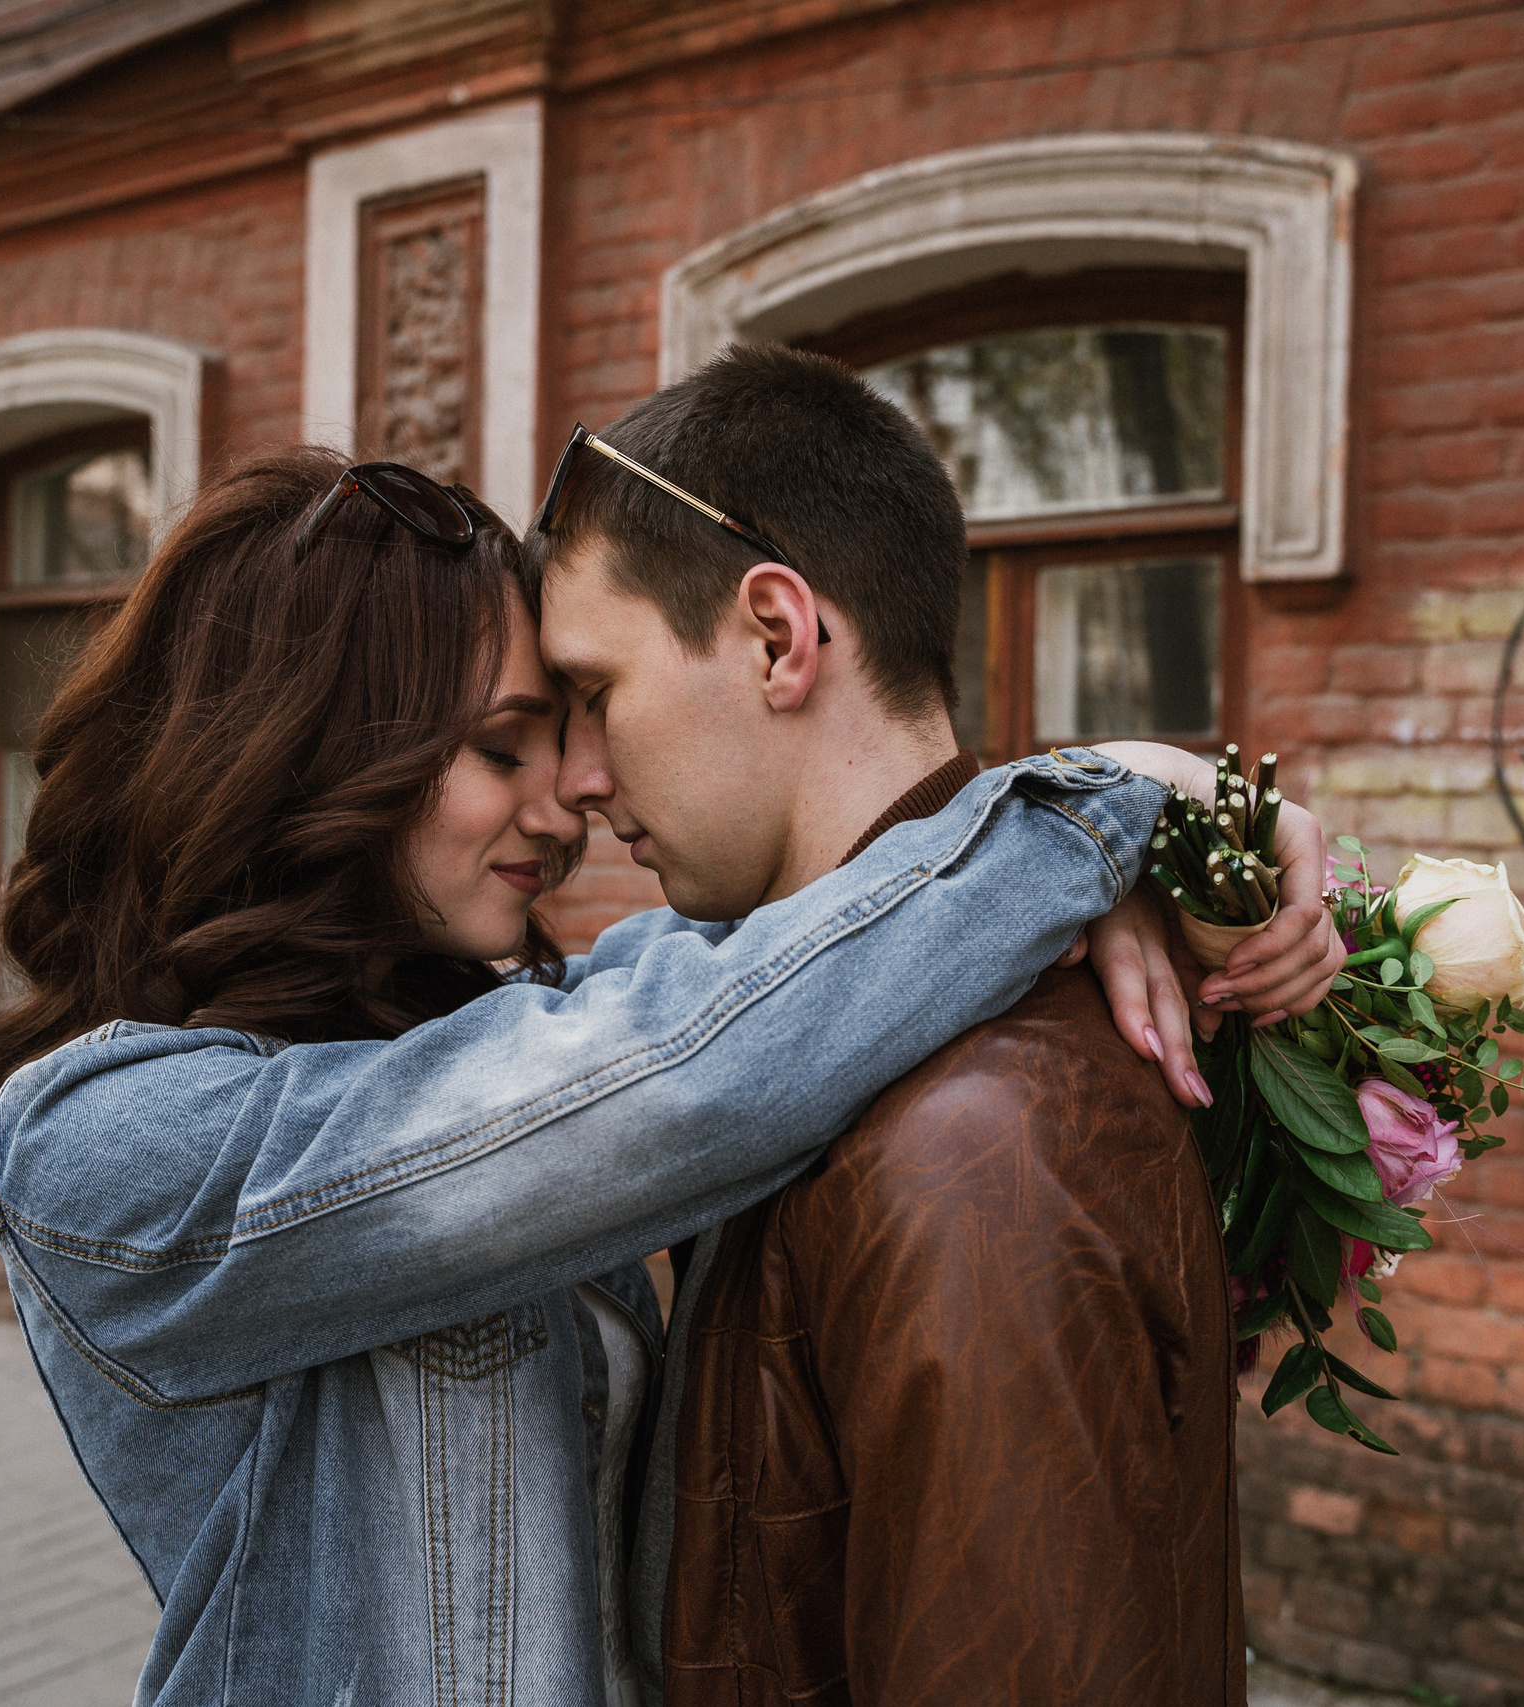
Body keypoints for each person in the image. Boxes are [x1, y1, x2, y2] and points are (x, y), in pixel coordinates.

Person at [0, 446, 1333, 1707]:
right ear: (309, 757)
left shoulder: (495, 1028)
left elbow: (776, 952)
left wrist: (1154, 844)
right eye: (505, 746)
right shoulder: (106, 1147)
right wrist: (1098, 813)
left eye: (579, 719)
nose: (570, 792)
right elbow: (695, 1067)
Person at [524, 345, 1344, 1705]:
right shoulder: (803, 1024)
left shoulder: (982, 1142)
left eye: (596, 695)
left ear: (778, 637)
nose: (577, 778)